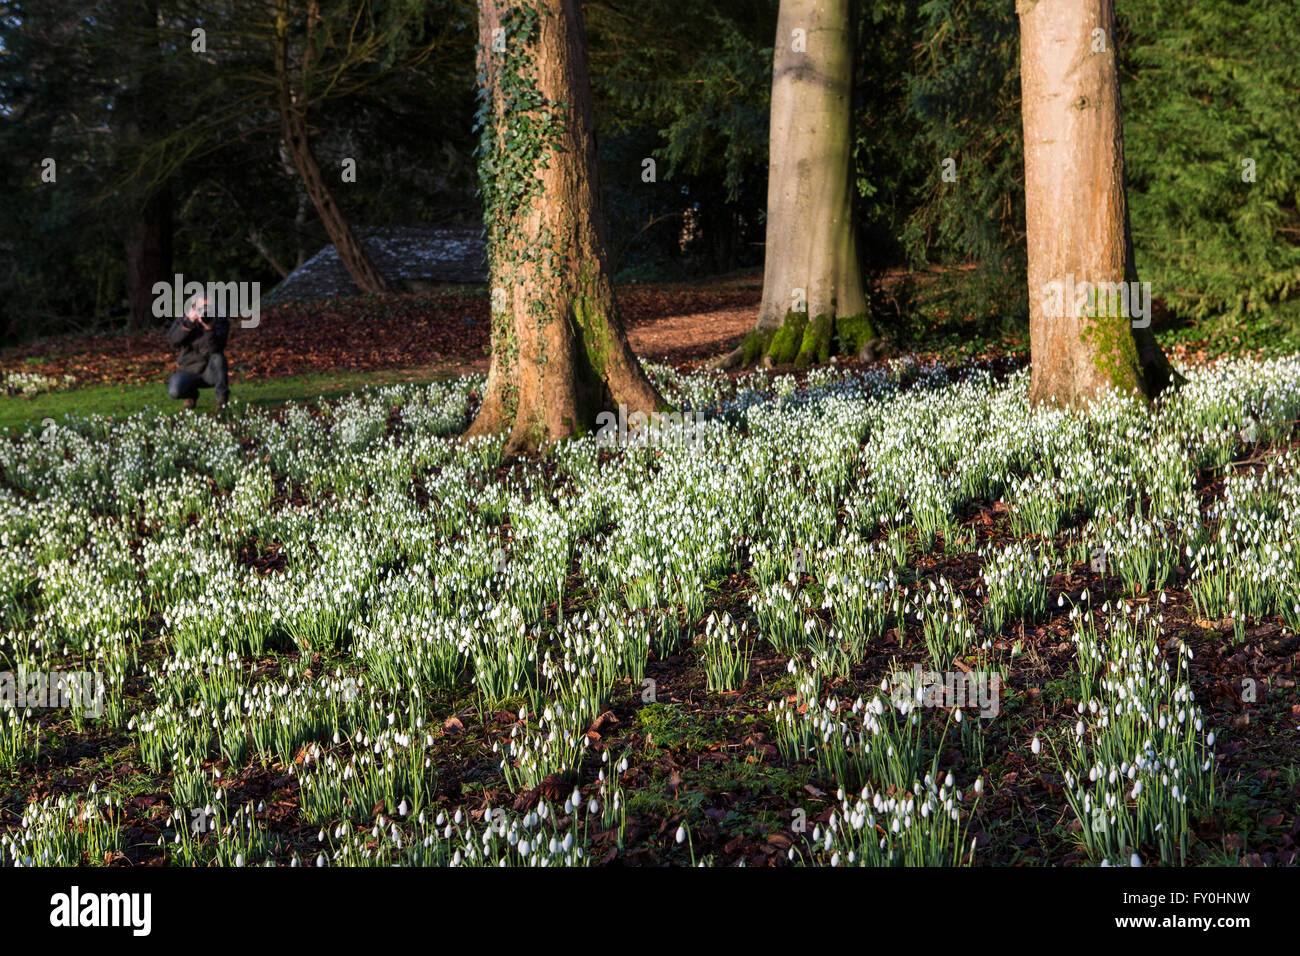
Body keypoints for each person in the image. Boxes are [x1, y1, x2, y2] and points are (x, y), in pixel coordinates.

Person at [167, 296, 230, 410]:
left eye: (208, 307)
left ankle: (222, 402)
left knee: (218, 359)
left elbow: (215, 349)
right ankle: (191, 396)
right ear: (194, 307)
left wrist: (209, 328)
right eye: (202, 307)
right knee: (174, 391)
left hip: (210, 371)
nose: (205, 310)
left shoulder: (220, 320)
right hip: (188, 369)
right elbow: (173, 342)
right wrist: (188, 324)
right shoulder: (184, 319)